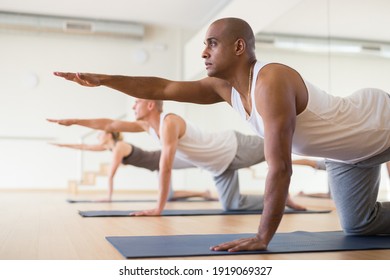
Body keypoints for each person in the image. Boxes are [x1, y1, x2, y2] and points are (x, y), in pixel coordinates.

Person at [54, 17, 390, 252]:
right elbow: (164, 86)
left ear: (239, 46)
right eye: (204, 45)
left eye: (212, 44)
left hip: (378, 122)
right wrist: (106, 79)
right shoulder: (224, 88)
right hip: (346, 155)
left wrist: (263, 236)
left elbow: (280, 167)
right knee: (358, 226)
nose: (203, 53)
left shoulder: (272, 80)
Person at [48, 100, 305, 216]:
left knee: (288, 147)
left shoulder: (169, 122)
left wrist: (159, 207)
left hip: (233, 147)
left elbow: (166, 166)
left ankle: (325, 160)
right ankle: (284, 200)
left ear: (150, 105)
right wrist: (74, 121)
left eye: (136, 102)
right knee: (232, 206)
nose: (132, 107)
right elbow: (110, 122)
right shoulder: (146, 127)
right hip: (217, 166)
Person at [50, 130, 215, 202]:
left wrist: (108, 197)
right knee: (169, 195)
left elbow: (110, 174)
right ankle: (204, 193)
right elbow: (85, 147)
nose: (97, 137)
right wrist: (64, 145)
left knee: (202, 161)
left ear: (108, 135)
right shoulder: (110, 146)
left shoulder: (119, 147)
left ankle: (228, 160)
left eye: (99, 134)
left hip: (161, 158)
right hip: (157, 165)